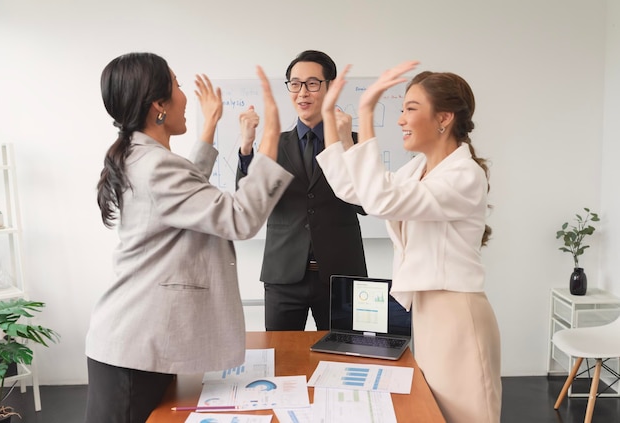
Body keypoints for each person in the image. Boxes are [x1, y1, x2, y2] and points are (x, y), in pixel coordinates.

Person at [85, 52, 293, 423]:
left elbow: (183, 198)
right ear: (158, 106)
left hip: (136, 341)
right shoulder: (154, 165)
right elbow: (239, 218)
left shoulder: (139, 156)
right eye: (177, 86)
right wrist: (272, 139)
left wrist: (210, 125)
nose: (185, 95)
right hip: (135, 347)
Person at [316, 62, 502, 423]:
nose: (401, 120)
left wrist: (367, 113)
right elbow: (356, 191)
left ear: (444, 118)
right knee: (436, 414)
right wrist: (330, 123)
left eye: (410, 109)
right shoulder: (416, 170)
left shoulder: (464, 175)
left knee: (468, 416)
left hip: (458, 315)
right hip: (429, 313)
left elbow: (383, 200)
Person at [236, 50, 367, 331]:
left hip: (341, 276)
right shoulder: (274, 144)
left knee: (344, 361)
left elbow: (366, 204)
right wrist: (246, 147)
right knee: (280, 365)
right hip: (283, 275)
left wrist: (348, 147)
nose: (302, 93)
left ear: (330, 88)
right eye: (295, 84)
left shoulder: (354, 141)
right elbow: (249, 202)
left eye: (312, 83)